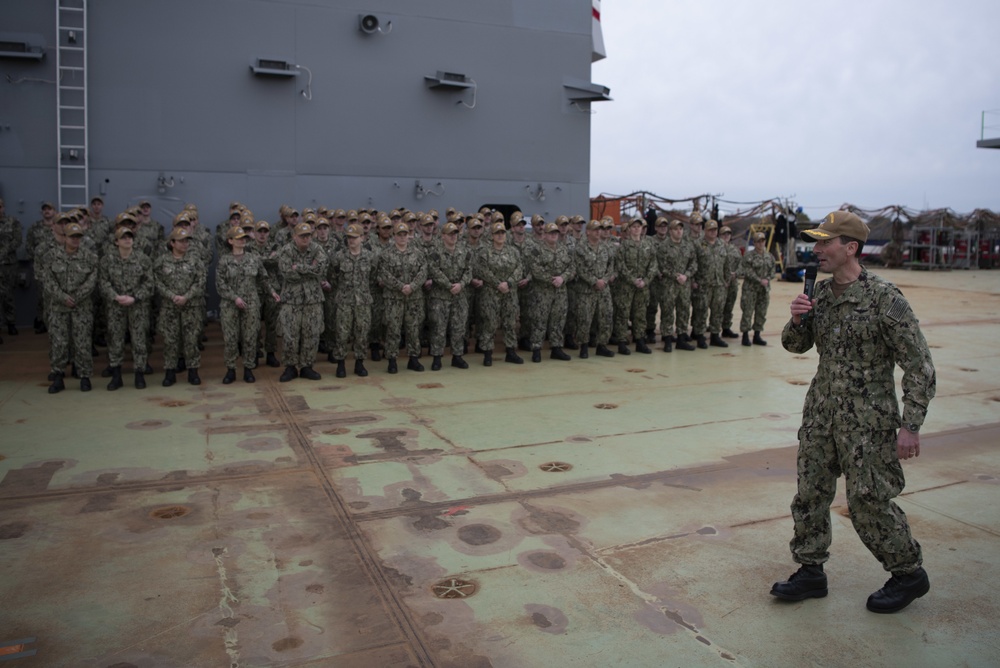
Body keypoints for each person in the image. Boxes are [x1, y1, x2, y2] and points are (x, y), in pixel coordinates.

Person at [771, 210, 936, 614]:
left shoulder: (885, 299)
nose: (817, 248)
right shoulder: (821, 296)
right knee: (810, 493)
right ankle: (811, 570)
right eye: (817, 241)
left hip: (868, 422)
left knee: (868, 501)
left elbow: (920, 366)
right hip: (821, 413)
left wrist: (910, 426)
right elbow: (796, 346)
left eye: (825, 242)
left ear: (850, 248)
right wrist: (797, 319)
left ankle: (909, 573)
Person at [216, 226, 279, 384]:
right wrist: (234, 297)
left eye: (244, 238)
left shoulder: (253, 258)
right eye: (238, 238)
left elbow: (263, 278)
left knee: (250, 337)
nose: (242, 240)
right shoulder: (224, 260)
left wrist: (272, 292)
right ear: (230, 241)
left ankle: (248, 369)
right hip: (230, 305)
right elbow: (220, 284)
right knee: (230, 338)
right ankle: (231, 369)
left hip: (251, 303)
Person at [42, 219, 98, 393]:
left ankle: (84, 377)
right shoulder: (51, 256)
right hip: (58, 307)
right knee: (59, 342)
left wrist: (77, 297)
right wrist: (62, 297)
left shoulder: (90, 257)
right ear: (64, 237)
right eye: (72, 237)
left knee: (82, 342)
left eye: (78, 237)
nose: (75, 240)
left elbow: (92, 280)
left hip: (81, 307)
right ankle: (58, 376)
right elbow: (48, 280)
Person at [99, 225, 154, 390]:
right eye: (123, 237)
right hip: (115, 306)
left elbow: (149, 282)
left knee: (139, 340)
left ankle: (139, 374)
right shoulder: (107, 260)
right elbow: (103, 281)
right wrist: (115, 296)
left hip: (137, 305)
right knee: (115, 340)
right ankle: (116, 376)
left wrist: (135, 297)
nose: (127, 239)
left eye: (129, 236)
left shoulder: (143, 259)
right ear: (116, 242)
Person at [155, 226, 207, 386]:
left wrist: (187, 296)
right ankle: (170, 372)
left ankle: (193, 371)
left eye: (187, 241)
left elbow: (201, 281)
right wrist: (172, 296)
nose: (185, 244)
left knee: (191, 340)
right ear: (172, 243)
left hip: (191, 307)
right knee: (171, 341)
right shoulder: (162, 261)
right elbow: (156, 281)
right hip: (170, 307)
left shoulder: (195, 261)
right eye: (181, 241)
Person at [277, 221, 328, 381]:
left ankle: (307, 366)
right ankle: (290, 367)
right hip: (292, 300)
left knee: (311, 334)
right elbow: (286, 273)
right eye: (302, 236)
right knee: (290, 334)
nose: (306, 239)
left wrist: (298, 267)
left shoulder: (317, 249)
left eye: (308, 236)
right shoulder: (286, 250)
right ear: (294, 237)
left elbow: (321, 268)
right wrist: (309, 269)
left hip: (313, 299)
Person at [379, 221, 427, 373]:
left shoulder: (417, 253)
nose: (402, 237)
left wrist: (412, 286)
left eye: (404, 234)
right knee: (393, 329)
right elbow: (384, 273)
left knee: (413, 329)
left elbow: (423, 271)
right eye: (399, 234)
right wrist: (400, 286)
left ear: (408, 236)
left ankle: (413, 358)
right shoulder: (386, 254)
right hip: (394, 298)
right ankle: (392, 360)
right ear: (394, 236)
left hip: (414, 298)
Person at [328, 223, 374, 377]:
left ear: (362, 238)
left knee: (362, 332)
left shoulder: (369, 257)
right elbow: (333, 278)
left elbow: (372, 277)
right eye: (349, 237)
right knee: (342, 333)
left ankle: (359, 363)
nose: (351, 240)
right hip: (344, 301)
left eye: (354, 237)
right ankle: (340, 364)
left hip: (363, 301)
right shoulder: (339, 257)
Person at [475, 221, 524, 365]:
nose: (500, 235)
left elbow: (519, 269)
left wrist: (508, 283)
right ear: (492, 236)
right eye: (497, 233)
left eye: (502, 233)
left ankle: (510, 352)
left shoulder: (513, 252)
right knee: (490, 323)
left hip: (509, 292)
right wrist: (498, 283)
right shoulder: (485, 252)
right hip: (491, 293)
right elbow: (482, 270)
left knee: (510, 323)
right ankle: (488, 353)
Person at [426, 221, 472, 370]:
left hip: (459, 295)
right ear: (443, 236)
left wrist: (461, 284)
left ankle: (457, 356)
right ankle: (437, 357)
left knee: (459, 327)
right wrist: (449, 285)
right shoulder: (435, 252)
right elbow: (434, 270)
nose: (453, 237)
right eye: (450, 234)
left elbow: (469, 271)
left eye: (455, 234)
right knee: (439, 328)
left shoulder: (464, 251)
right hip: (440, 297)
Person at [528, 221, 575, 362]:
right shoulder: (537, 250)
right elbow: (535, 269)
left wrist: (563, 278)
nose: (554, 235)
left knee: (558, 320)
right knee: (539, 321)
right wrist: (551, 280)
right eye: (551, 233)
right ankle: (536, 349)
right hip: (543, 292)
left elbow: (572, 268)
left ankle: (556, 348)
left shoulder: (564, 249)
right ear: (545, 235)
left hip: (560, 292)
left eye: (556, 233)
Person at [611, 218, 656, 355]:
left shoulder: (648, 246)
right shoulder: (623, 246)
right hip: (626, 287)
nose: (636, 229)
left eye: (639, 227)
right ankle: (622, 342)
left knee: (640, 314)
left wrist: (645, 281)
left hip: (642, 287)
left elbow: (653, 266)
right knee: (623, 314)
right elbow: (620, 266)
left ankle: (640, 340)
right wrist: (632, 280)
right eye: (634, 227)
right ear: (629, 229)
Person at [572, 220, 615, 359]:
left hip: (603, 290)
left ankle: (602, 345)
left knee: (606, 317)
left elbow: (611, 265)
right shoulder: (580, 248)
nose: (598, 231)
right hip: (586, 290)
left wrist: (605, 279)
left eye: (600, 229)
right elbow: (579, 268)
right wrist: (594, 281)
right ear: (588, 232)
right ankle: (583, 346)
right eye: (595, 229)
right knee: (585, 318)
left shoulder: (605, 247)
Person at [653, 219, 697, 352]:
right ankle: (667, 338)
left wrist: (686, 275)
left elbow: (694, 263)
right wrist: (676, 275)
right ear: (671, 231)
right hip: (669, 284)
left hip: (684, 284)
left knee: (683, 310)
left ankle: (682, 339)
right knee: (667, 311)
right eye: (676, 229)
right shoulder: (664, 246)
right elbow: (661, 265)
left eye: (681, 229)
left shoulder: (688, 246)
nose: (679, 231)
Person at [691, 220, 730, 348]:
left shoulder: (722, 245)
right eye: (710, 230)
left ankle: (715, 336)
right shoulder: (697, 245)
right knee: (701, 311)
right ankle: (700, 336)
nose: (713, 232)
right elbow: (693, 263)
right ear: (705, 231)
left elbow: (726, 264)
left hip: (719, 284)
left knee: (718, 311)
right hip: (703, 284)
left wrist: (727, 280)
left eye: (715, 230)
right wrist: (693, 281)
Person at [739, 232, 775, 346]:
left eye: (763, 241)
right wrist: (759, 280)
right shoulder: (749, 256)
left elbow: (773, 271)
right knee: (747, 312)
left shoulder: (769, 256)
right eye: (758, 241)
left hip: (764, 290)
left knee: (761, 312)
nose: (761, 243)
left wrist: (767, 279)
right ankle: (745, 335)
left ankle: (757, 335)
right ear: (754, 243)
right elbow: (747, 270)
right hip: (750, 289)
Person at [0, 198, 23, 336]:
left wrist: (4, 251)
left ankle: (11, 323)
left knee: (8, 295)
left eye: (0, 206)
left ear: (3, 207)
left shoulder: (12, 221)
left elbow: (17, 240)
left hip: (8, 264)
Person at [719, 225, 742, 339]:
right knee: (717, 307)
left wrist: (736, 273)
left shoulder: (735, 249)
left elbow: (741, 265)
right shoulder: (717, 248)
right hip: (720, 282)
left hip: (732, 283)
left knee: (729, 306)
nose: (726, 236)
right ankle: (714, 329)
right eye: (724, 234)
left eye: (728, 234)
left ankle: (726, 328)